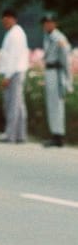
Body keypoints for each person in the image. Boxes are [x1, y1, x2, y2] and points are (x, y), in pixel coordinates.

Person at [0, 8, 29, 144]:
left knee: (12, 105)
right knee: (19, 104)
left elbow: (13, 57)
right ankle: (20, 134)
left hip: (14, 72)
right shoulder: (14, 33)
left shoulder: (15, 34)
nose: (5, 23)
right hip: (16, 71)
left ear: (12, 19)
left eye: (6, 20)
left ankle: (10, 134)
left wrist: (7, 76)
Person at [40, 13, 72, 147]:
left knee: (57, 105)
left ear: (55, 24)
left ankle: (59, 135)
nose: (47, 25)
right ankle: (54, 133)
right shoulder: (47, 37)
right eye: (45, 23)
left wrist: (68, 80)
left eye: (50, 22)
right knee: (51, 104)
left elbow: (65, 60)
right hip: (49, 71)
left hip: (57, 73)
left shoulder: (59, 38)